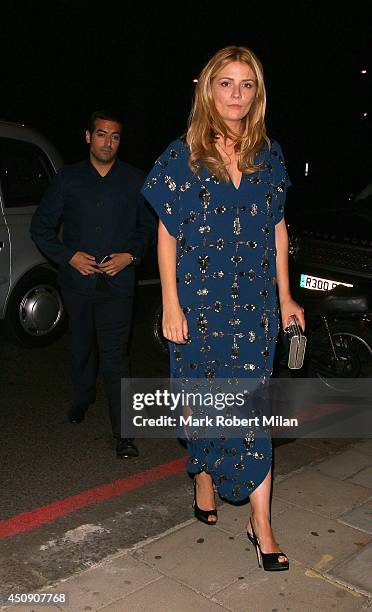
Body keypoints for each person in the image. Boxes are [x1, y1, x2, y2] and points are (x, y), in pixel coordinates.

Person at [142, 46, 305, 571]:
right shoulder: (183, 153)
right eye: (226, 83)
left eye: (247, 85)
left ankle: (262, 526)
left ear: (257, 93)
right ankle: (205, 477)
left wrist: (285, 297)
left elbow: (278, 230)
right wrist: (170, 304)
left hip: (255, 306)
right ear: (208, 89)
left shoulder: (270, 154)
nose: (236, 95)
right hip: (199, 306)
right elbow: (167, 235)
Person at [31, 109, 156, 458]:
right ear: (89, 136)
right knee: (82, 346)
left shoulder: (135, 180)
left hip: (118, 286)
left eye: (115, 136)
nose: (108, 142)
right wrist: (68, 256)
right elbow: (40, 227)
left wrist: (130, 255)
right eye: (101, 134)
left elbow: (147, 228)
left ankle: (124, 434)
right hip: (77, 284)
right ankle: (83, 397)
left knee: (116, 358)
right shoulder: (67, 179)